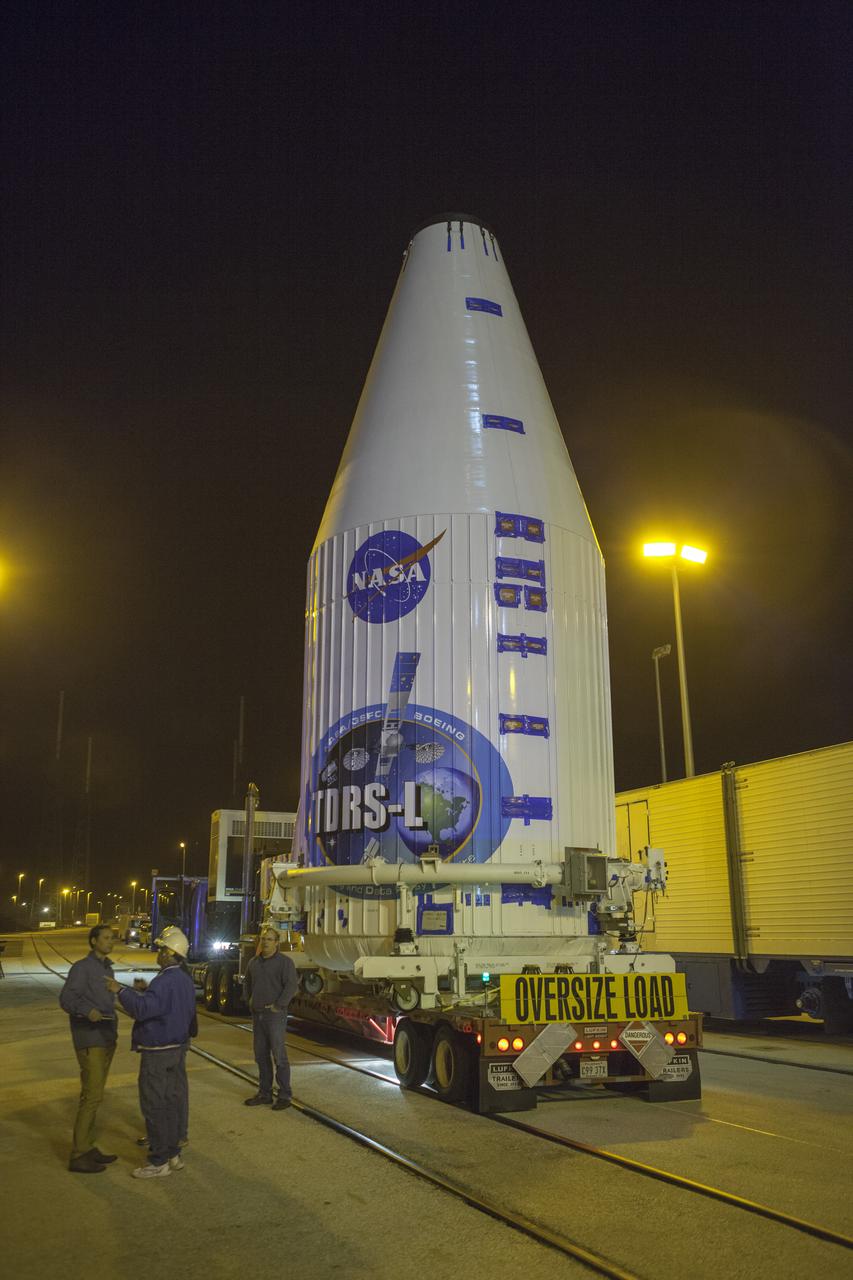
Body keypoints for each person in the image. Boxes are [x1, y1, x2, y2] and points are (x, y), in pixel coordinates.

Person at [106, 924, 196, 1179]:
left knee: (154, 1105)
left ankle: (158, 1161)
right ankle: (173, 1153)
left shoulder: (166, 980)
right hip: (177, 1048)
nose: (157, 953)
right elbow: (170, 1007)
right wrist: (145, 992)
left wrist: (121, 991)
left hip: (158, 1050)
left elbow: (144, 1010)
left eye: (160, 949)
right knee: (172, 1102)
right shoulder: (184, 979)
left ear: (169, 953)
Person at [59, 923, 119, 1173]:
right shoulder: (82, 968)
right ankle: (79, 1153)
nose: (110, 942)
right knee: (91, 1095)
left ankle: (88, 1145)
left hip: (106, 1037)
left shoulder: (108, 969)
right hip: (89, 1037)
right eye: (105, 938)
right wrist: (87, 1011)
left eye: (112, 938)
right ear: (93, 941)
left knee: (96, 1094)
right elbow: (67, 998)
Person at [242, 927, 298, 1110]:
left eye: (269, 939)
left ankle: (284, 1095)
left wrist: (278, 1006)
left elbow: (291, 986)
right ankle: (264, 1093)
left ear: (276, 943)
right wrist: (249, 1002)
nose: (265, 942)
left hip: (274, 1016)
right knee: (260, 1056)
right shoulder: (253, 963)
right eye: (263, 939)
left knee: (279, 1056)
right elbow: (247, 984)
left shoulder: (285, 963)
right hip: (257, 1015)